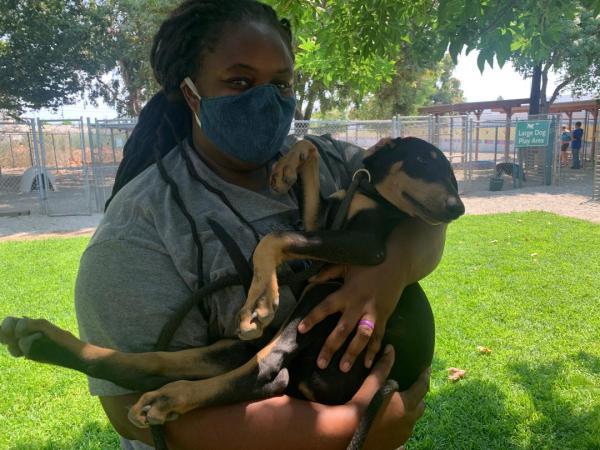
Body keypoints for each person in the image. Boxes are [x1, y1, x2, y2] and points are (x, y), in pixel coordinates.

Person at [75, 1, 442, 449]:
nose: (266, 99)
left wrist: (390, 267)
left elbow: (431, 213)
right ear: (192, 95)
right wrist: (344, 431)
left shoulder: (329, 163)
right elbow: (131, 410)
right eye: (241, 81)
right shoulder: (140, 230)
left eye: (281, 83)